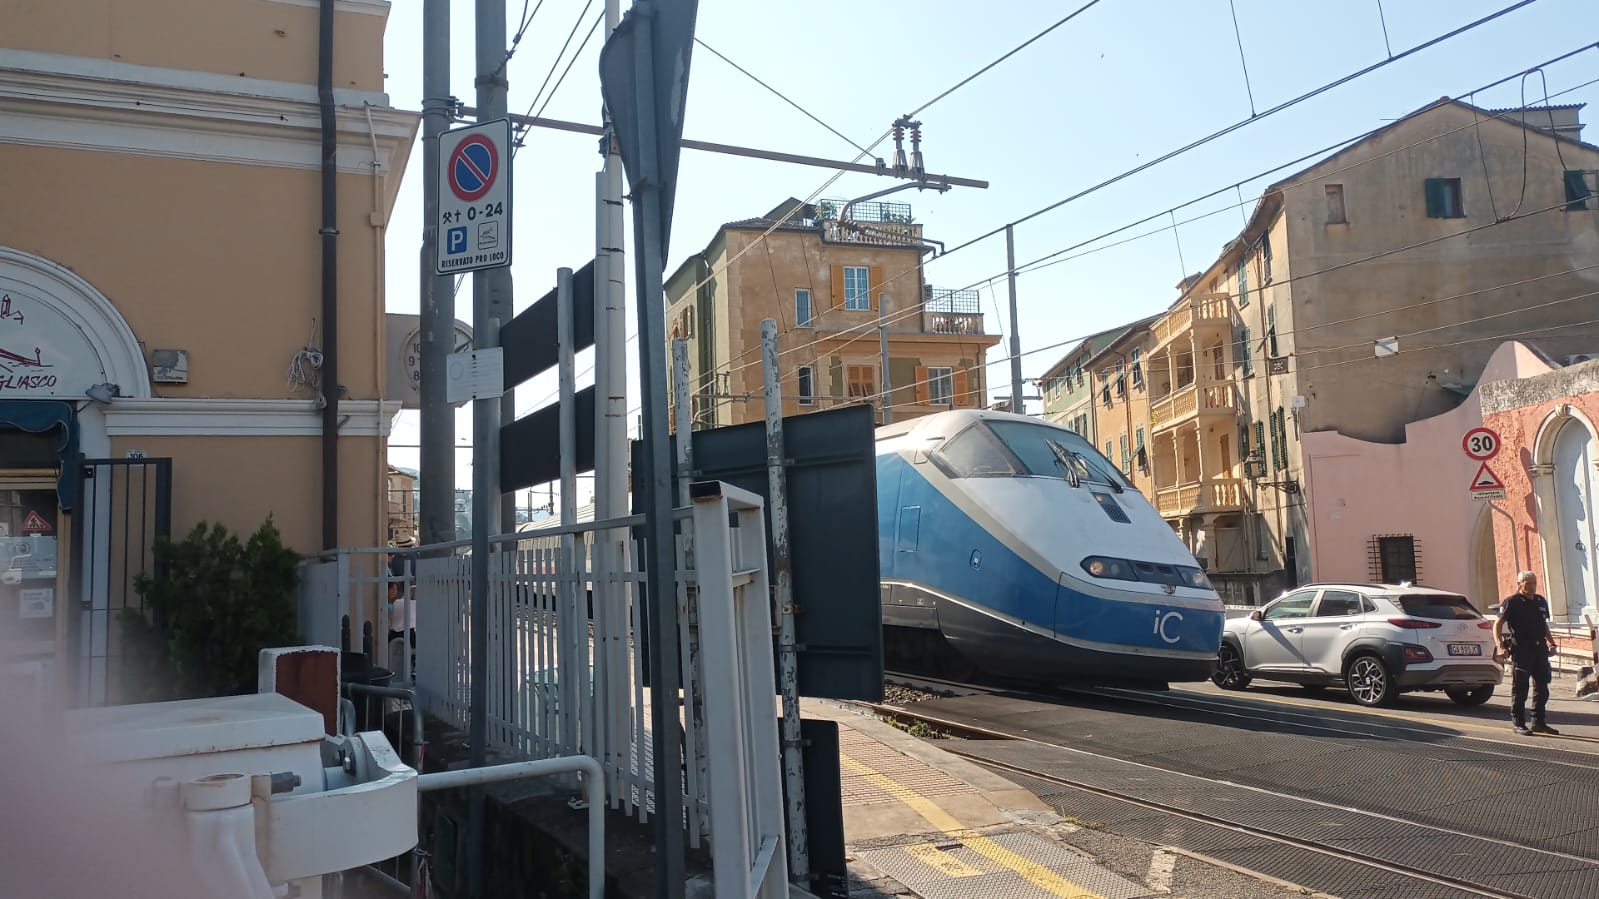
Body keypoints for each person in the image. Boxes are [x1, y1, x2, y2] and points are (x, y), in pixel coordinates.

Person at [1493, 571, 1559, 735]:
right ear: (1519, 584)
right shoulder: (1512, 602)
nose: (1531, 586)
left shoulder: (1540, 601)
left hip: (1540, 650)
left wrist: (1551, 642)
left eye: (1534, 582)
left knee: (1542, 687)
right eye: (1527, 583)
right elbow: (1497, 624)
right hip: (1522, 649)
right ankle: (1519, 722)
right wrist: (1500, 645)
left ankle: (1539, 721)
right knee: (1521, 688)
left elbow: (1543, 625)